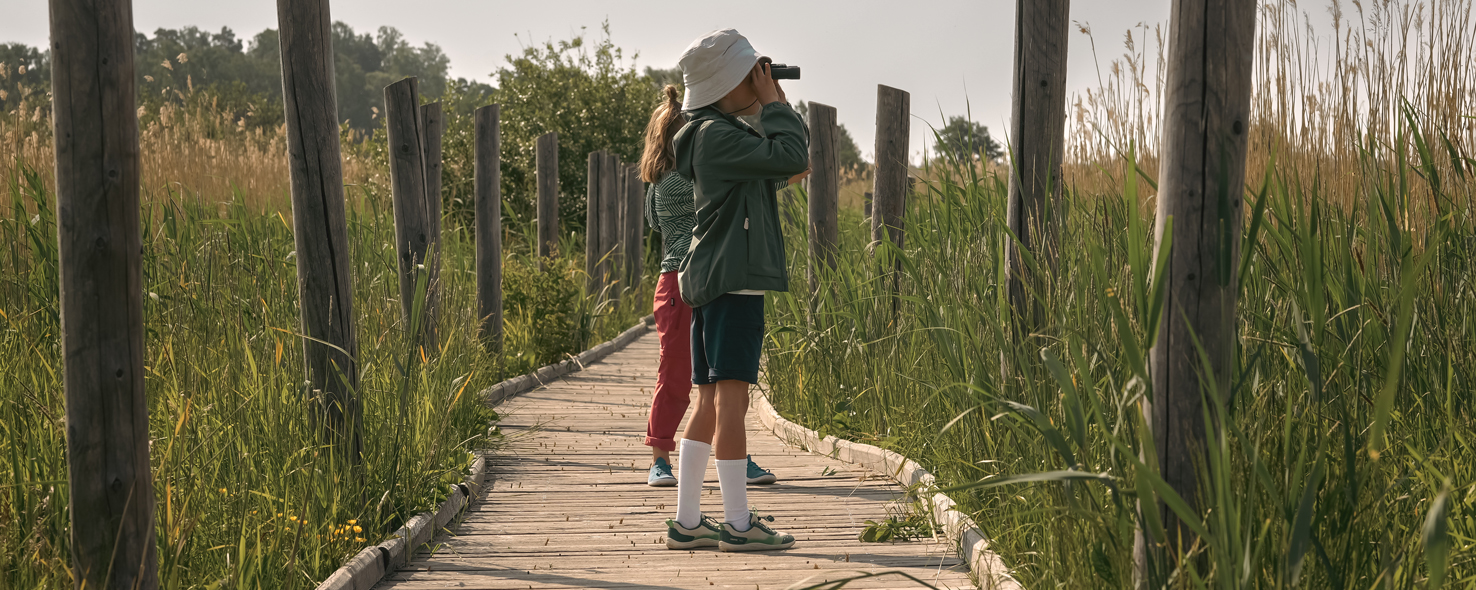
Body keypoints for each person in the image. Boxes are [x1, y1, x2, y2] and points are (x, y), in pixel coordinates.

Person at [661, 29, 809, 553]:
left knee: (708, 401)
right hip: (734, 281)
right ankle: (740, 525)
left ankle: (688, 521)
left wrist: (773, 107)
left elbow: (789, 163)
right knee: (732, 403)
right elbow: (793, 157)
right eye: (752, 73)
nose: (761, 80)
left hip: (716, 278)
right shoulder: (719, 137)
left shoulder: (712, 133)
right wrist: (773, 104)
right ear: (729, 82)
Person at [639, 85, 779, 489]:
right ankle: (732, 457)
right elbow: (772, 180)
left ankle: (661, 457)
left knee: (680, 373)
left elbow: (653, 221)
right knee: (724, 376)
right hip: (706, 278)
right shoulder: (699, 176)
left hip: (670, 279)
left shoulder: (658, 184)